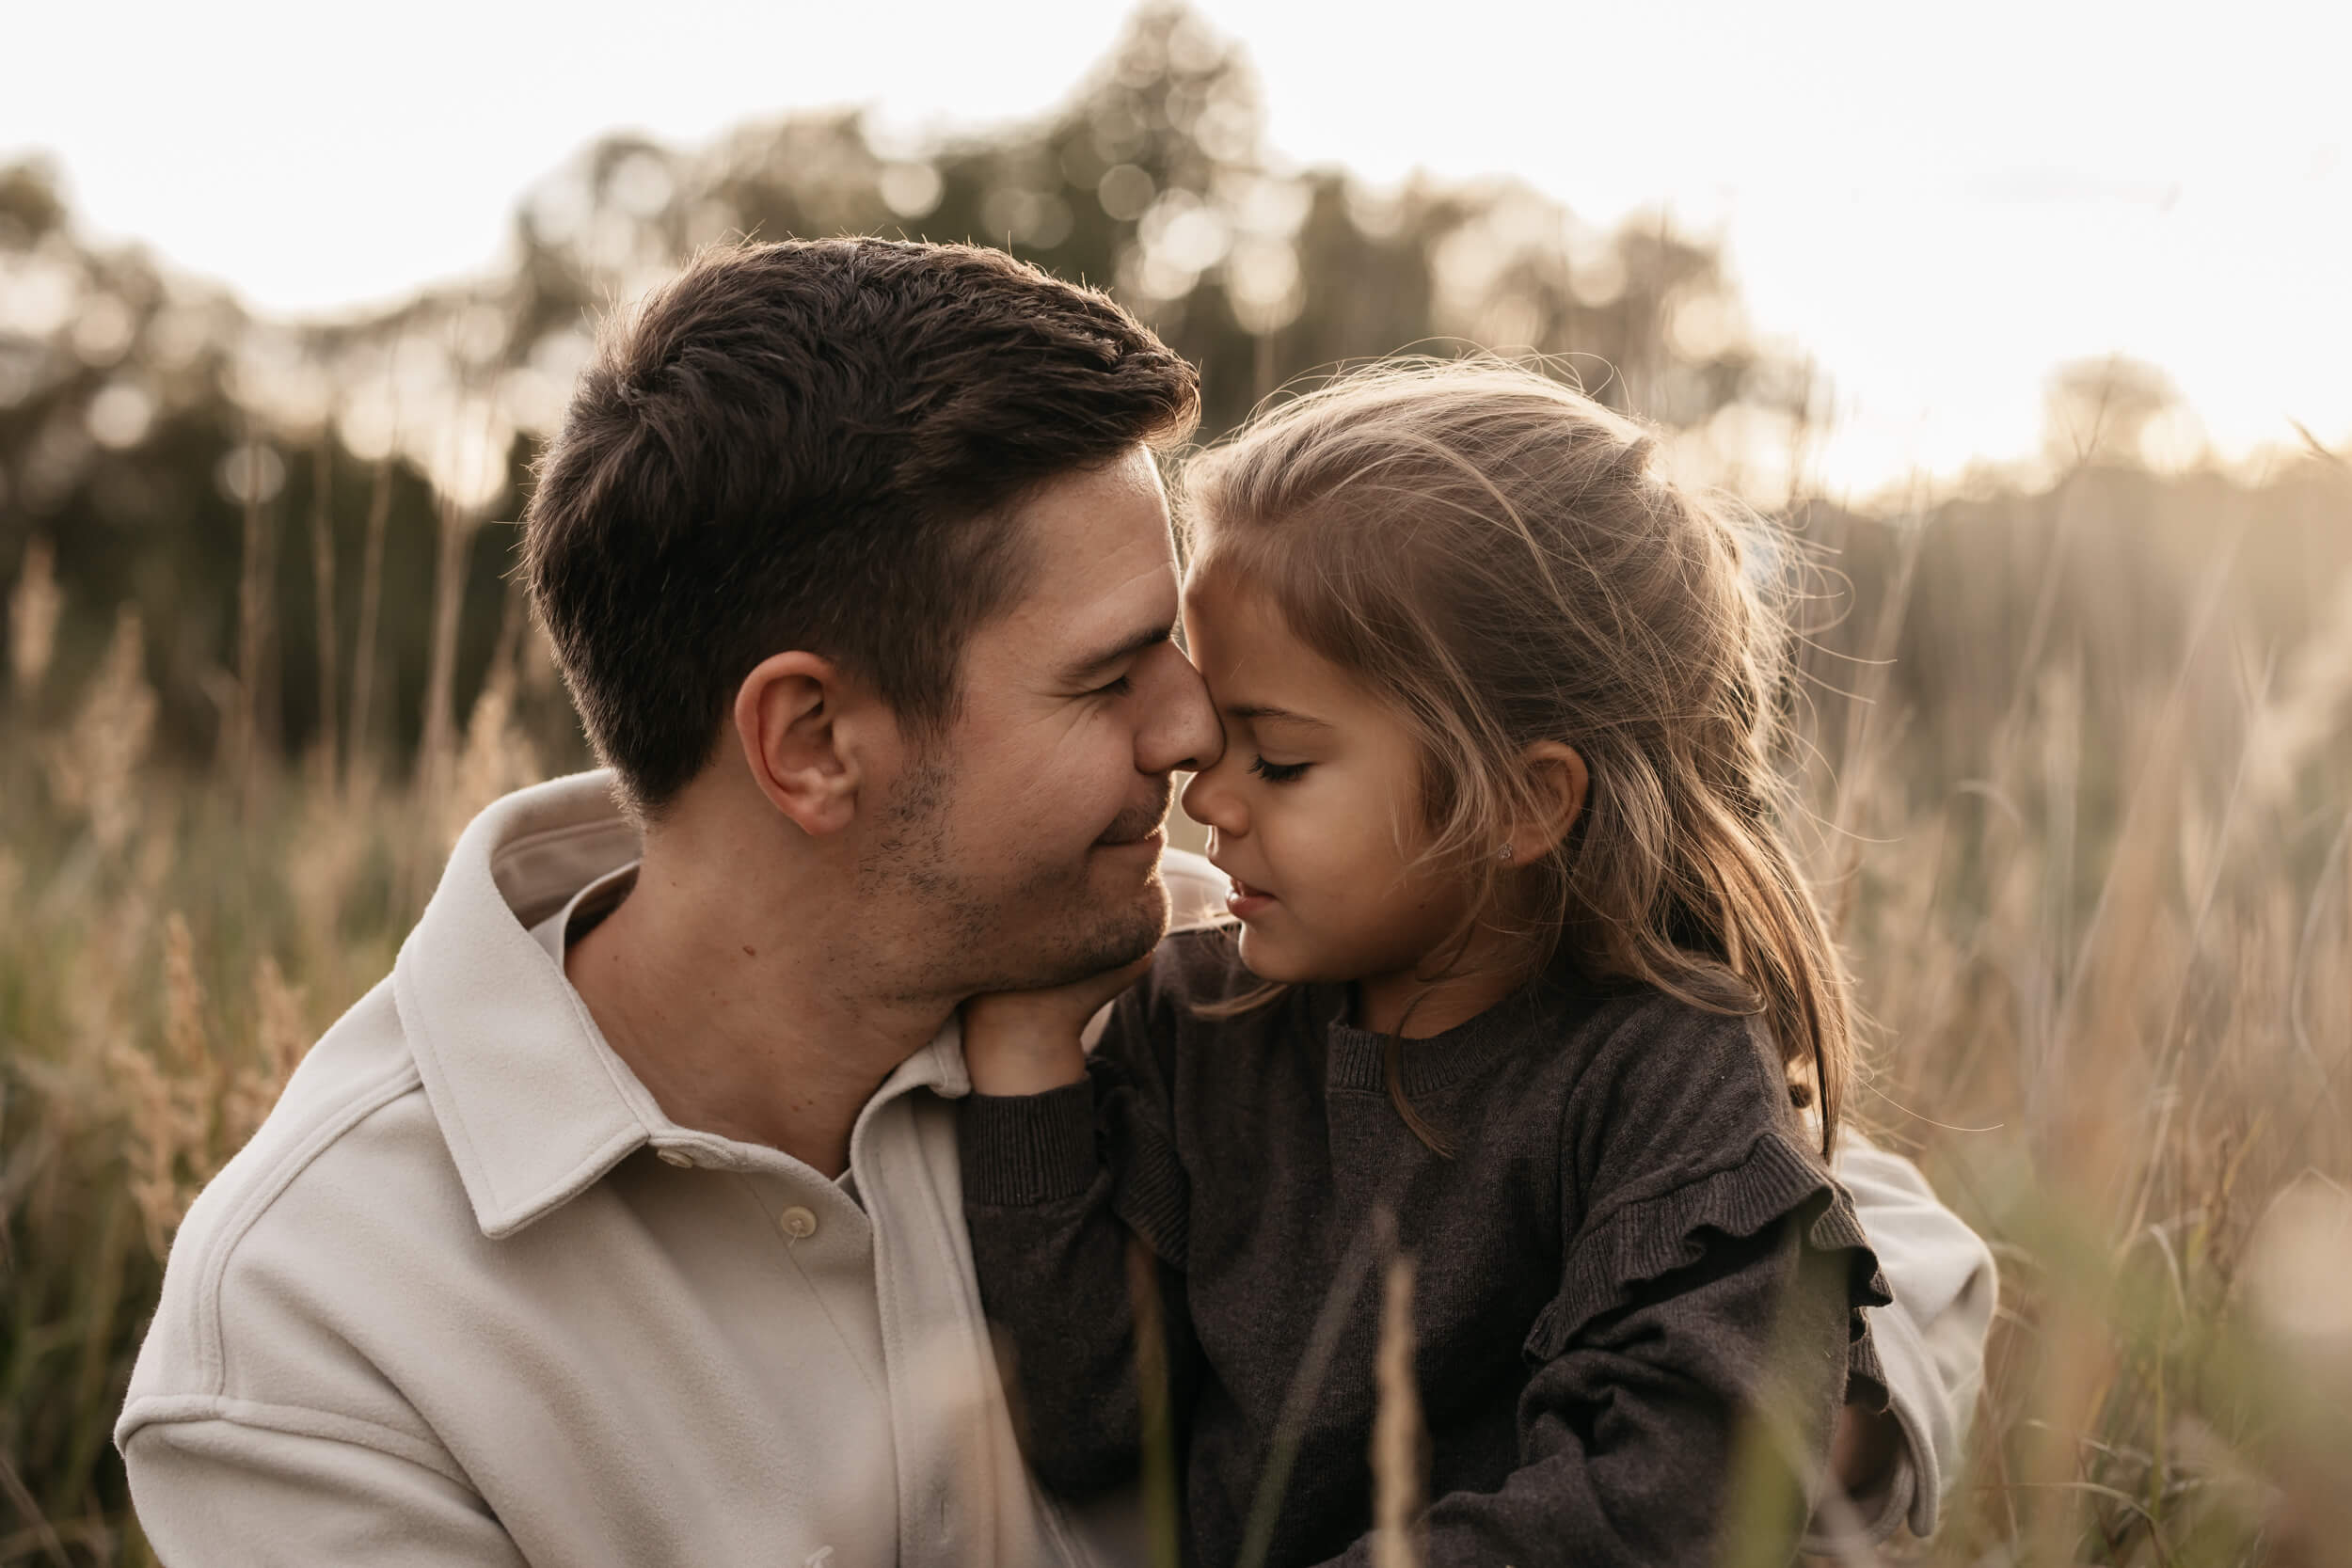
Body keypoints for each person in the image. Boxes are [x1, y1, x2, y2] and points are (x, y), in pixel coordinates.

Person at [113, 240, 1991, 1565]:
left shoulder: (1204, 949)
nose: (1190, 735)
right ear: (812, 741)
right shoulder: (314, 1333)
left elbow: (1870, 1222)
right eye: (1110, 679)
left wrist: (1727, 1450)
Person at [956, 359, 1979, 1567]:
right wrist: (1025, 1062)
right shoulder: (1197, 1014)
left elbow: (1674, 1489)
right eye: (1215, 736)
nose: (1206, 794)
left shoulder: (1660, 1076)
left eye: (1277, 759)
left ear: (1521, 802)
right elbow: (1091, 1424)